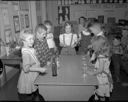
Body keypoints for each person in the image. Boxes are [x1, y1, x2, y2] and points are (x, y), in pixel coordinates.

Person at [17, 29, 46, 101]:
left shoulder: (31, 48)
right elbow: (26, 69)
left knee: (35, 92)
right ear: (23, 41)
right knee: (29, 95)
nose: (32, 41)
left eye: (32, 39)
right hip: (29, 77)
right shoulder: (26, 53)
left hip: (34, 75)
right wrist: (39, 69)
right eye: (29, 39)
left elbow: (35, 61)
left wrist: (41, 64)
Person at [87, 36, 113, 101]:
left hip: (102, 77)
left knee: (101, 94)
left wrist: (92, 73)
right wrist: (94, 65)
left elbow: (100, 70)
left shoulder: (101, 57)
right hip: (105, 75)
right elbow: (103, 66)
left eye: (94, 46)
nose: (92, 47)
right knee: (100, 93)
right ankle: (97, 97)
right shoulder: (105, 54)